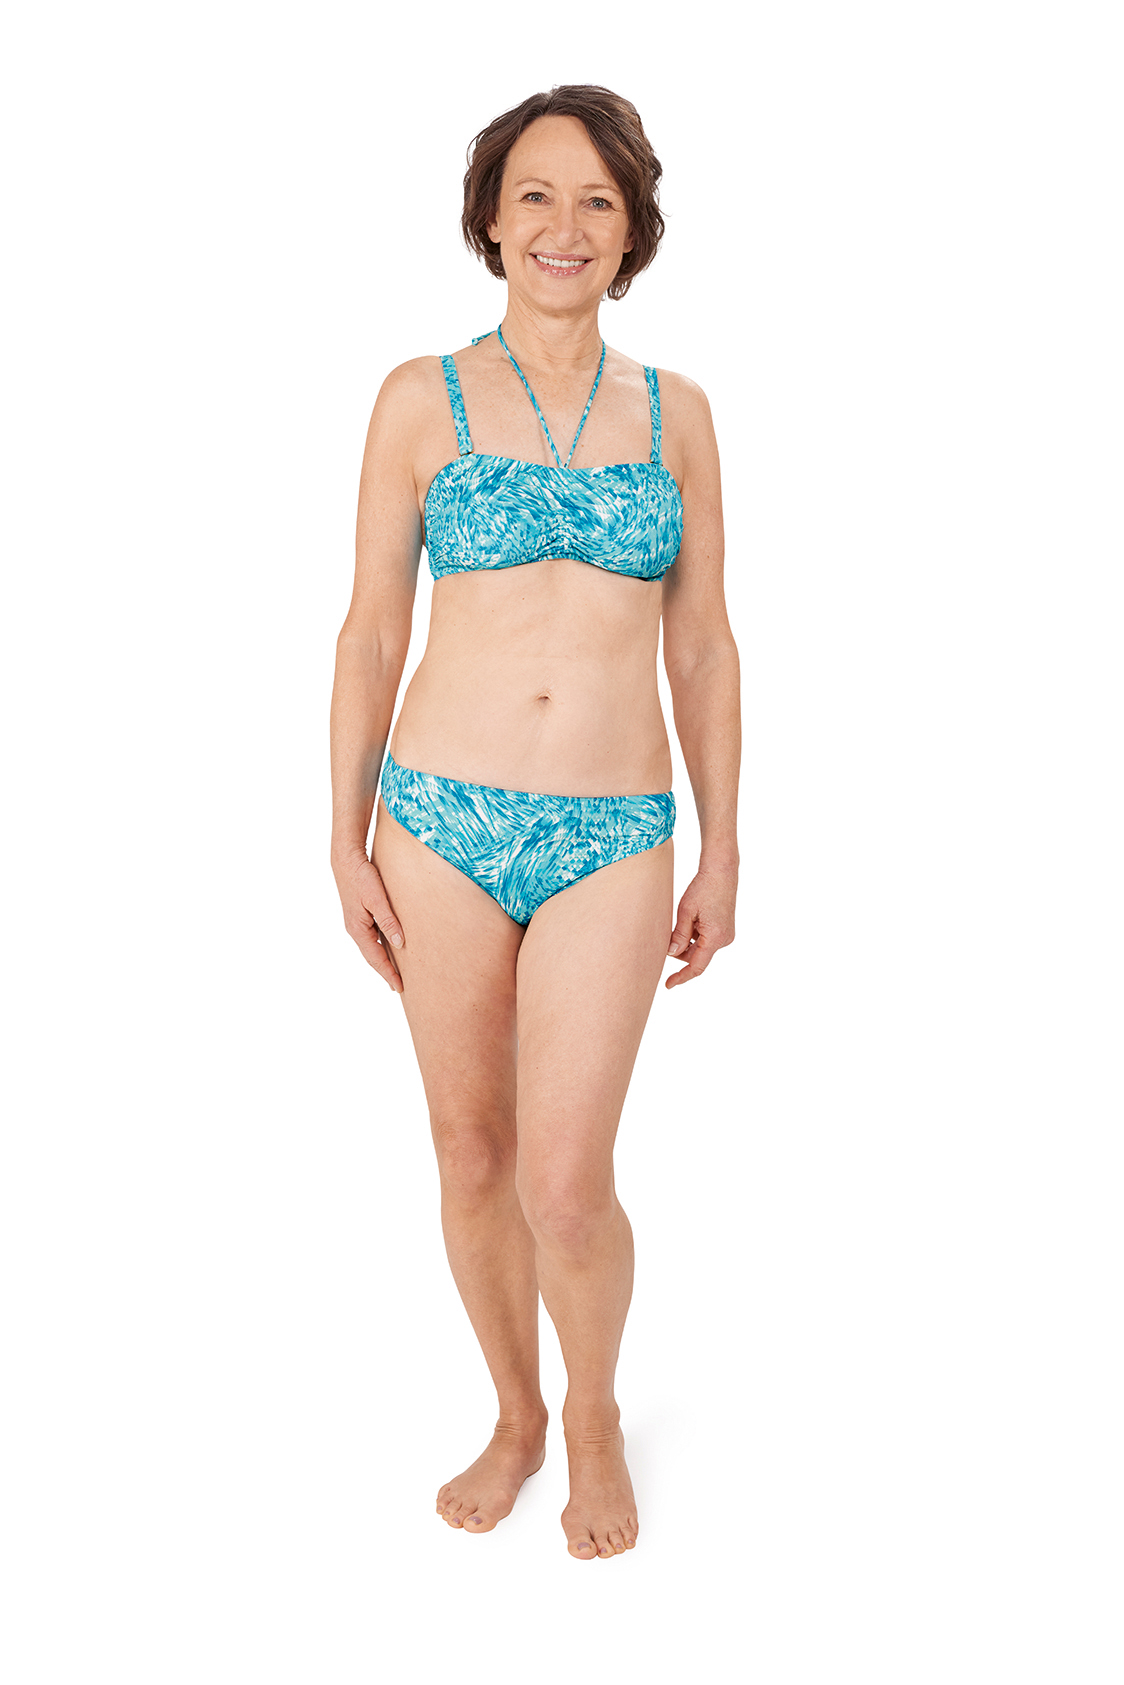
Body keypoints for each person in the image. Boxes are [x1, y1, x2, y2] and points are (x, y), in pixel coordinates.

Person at [329, 84, 740, 1561]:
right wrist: (342, 837)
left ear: (631, 233)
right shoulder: (417, 398)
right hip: (437, 821)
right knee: (472, 1152)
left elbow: (703, 644)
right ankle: (515, 1415)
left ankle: (596, 1408)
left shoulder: (676, 415)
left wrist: (726, 844)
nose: (565, 226)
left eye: (598, 201)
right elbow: (373, 632)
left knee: (567, 1183)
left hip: (612, 834)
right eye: (536, 196)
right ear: (492, 221)